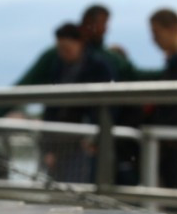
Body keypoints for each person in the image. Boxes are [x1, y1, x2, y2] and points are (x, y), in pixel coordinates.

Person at [20, 22, 115, 183]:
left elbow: (107, 105)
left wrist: (94, 138)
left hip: (84, 139)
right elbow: (51, 106)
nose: (63, 53)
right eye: (60, 49)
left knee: (80, 184)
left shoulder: (98, 67)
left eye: (67, 49)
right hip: (59, 138)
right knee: (58, 184)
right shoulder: (58, 66)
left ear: (80, 44)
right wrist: (48, 145)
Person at [129, 8, 177, 188]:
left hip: (176, 143)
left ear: (173, 28)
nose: (153, 40)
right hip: (170, 142)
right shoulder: (176, 62)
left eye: (156, 33)